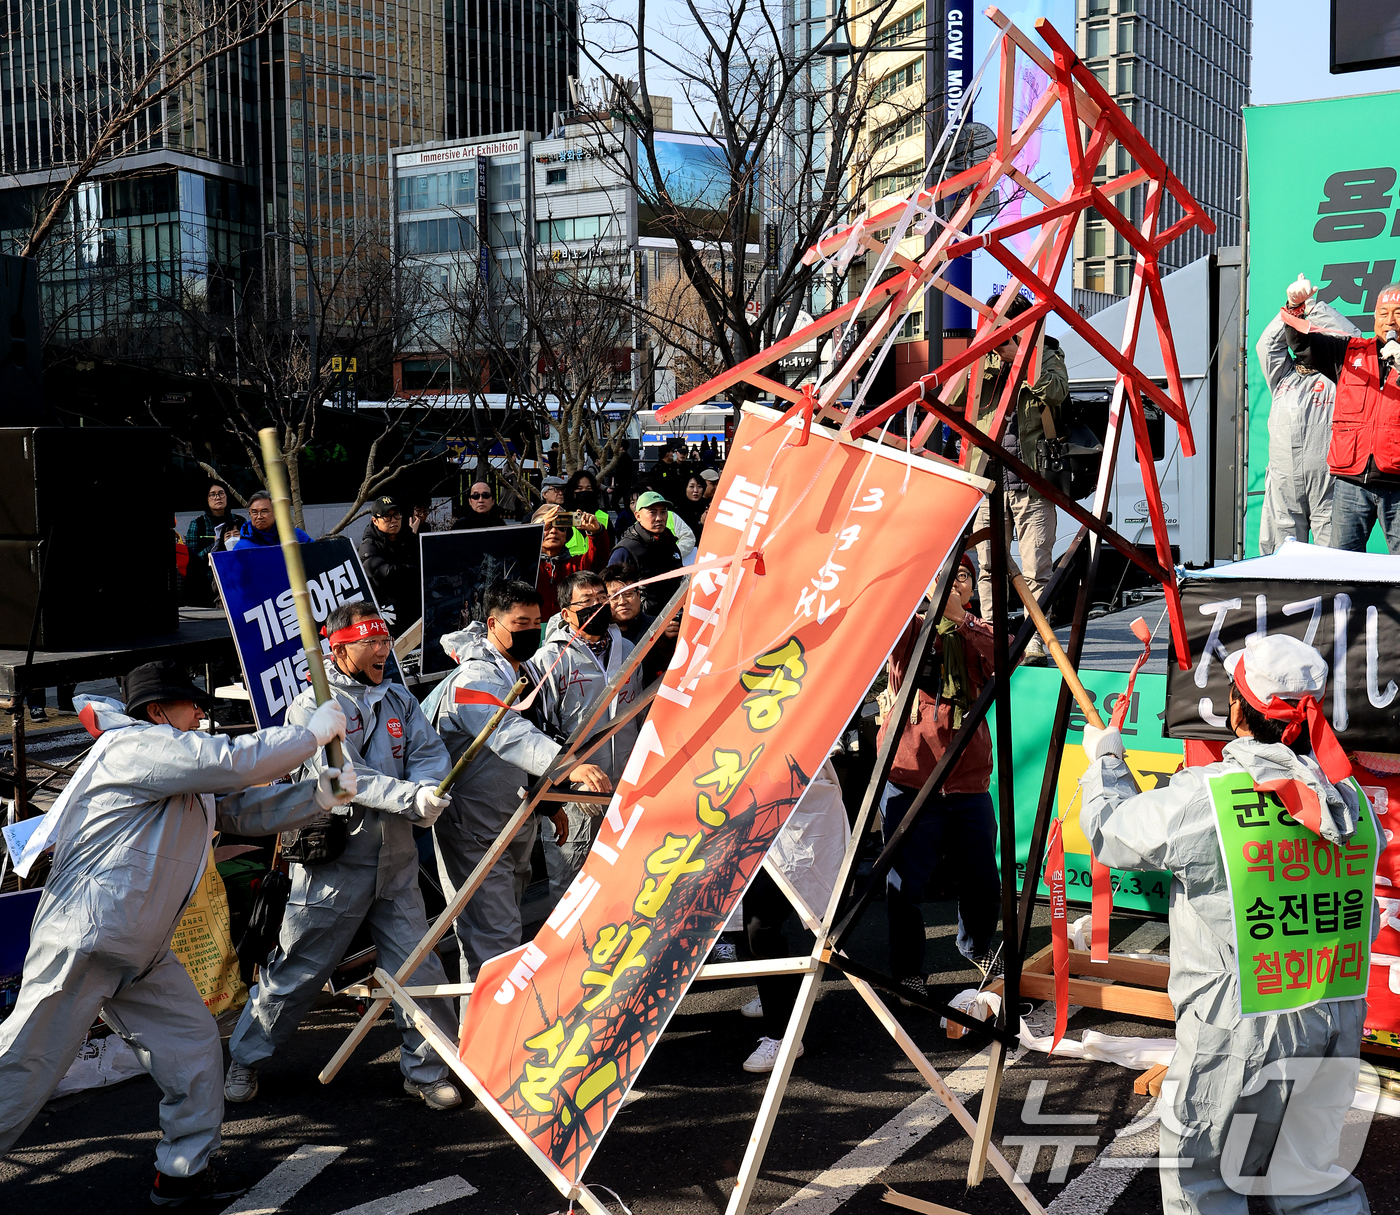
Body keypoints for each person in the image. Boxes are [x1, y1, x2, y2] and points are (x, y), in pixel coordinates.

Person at [0, 660, 352, 1206]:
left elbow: (238, 810)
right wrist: (308, 736)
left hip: (140, 949)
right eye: (192, 705)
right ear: (158, 711)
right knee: (24, 1064)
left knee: (193, 1051)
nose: (201, 713)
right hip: (88, 936)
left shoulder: (178, 764)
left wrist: (318, 797)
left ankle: (183, 1173)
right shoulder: (136, 745)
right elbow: (234, 762)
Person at [1079, 633, 1377, 1215]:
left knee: (1205, 1181)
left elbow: (1113, 832)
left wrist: (1107, 761)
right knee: (1311, 1177)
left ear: (1237, 713)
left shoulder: (1205, 798)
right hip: (1335, 1015)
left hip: (1241, 1029)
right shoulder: (1349, 799)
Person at [226, 602, 461, 1111]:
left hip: (396, 862)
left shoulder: (399, 698)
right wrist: (411, 797)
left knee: (419, 970)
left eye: (385, 641)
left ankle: (427, 1070)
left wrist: (428, 787)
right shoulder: (314, 706)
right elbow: (342, 776)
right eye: (370, 643)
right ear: (338, 649)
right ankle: (245, 1057)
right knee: (296, 970)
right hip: (333, 864)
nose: (382, 651)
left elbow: (428, 752)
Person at [427, 580, 611, 980]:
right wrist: (567, 766)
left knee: (502, 932)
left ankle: (496, 1018)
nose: (530, 631)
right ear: (493, 624)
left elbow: (536, 729)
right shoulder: (472, 680)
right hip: (474, 826)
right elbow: (509, 734)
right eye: (520, 623)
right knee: (494, 941)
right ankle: (491, 1021)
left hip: (515, 816)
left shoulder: (520, 669)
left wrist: (548, 802)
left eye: (535, 623)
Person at [876, 555, 1005, 1000]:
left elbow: (1008, 658)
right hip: (910, 778)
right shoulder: (910, 629)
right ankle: (908, 971)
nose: (954, 584)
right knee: (904, 886)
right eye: (944, 577)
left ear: (971, 588)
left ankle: (977, 946)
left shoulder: (978, 631)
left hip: (968, 780)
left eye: (963, 576)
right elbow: (885, 630)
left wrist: (962, 623)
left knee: (983, 880)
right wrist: (929, 606)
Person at [952, 290, 1067, 659]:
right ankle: (991, 638)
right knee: (989, 566)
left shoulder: (1046, 353)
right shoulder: (982, 357)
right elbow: (952, 396)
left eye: (1003, 325)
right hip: (988, 479)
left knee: (1037, 568)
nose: (997, 333)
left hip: (1031, 479)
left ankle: (1035, 643)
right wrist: (979, 356)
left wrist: (1021, 357)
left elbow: (1058, 392)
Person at [533, 570, 643, 900]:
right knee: (572, 883)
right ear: (566, 613)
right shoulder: (550, 659)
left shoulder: (629, 649)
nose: (597, 605)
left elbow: (640, 715)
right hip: (576, 793)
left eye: (601, 598)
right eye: (586, 601)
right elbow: (540, 731)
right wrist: (567, 782)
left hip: (624, 785)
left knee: (626, 876)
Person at [740, 759, 851, 1073]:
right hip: (749, 804)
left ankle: (782, 1036)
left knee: (760, 924)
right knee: (746, 918)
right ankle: (777, 996)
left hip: (802, 808)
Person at [1281, 275, 1400, 553]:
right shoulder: (1348, 352)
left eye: (1398, 313)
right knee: (1343, 563)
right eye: (1383, 313)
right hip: (1351, 482)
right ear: (1374, 317)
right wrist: (1294, 307)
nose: (1390, 321)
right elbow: (1302, 346)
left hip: (1397, 483)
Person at [1256, 285, 1359, 552]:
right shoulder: (1282, 377)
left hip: (1328, 484)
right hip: (1284, 484)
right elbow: (1267, 345)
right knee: (1281, 560)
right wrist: (1294, 309)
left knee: (1334, 560)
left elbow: (1352, 340)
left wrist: (1314, 309)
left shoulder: (1339, 377)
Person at [603, 561, 678, 685]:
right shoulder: (598, 636)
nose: (622, 601)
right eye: (614, 596)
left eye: (628, 594)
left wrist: (664, 641)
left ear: (639, 595)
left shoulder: (659, 627)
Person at [357, 495, 422, 636]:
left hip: (415, 610)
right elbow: (385, 574)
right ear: (375, 520)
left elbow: (427, 562)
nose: (393, 520)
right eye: (387, 517)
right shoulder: (369, 545)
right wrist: (413, 570)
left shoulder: (409, 538)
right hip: (388, 613)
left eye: (396, 515)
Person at [609, 491, 682, 616]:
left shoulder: (670, 543)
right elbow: (613, 596)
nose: (659, 518)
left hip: (674, 618)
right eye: (652, 512)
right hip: (643, 623)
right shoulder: (625, 550)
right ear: (638, 516)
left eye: (663, 512)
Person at [534, 504, 607, 621]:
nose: (553, 531)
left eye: (560, 527)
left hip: (570, 628)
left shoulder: (576, 564)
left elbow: (598, 558)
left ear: (566, 534)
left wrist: (596, 532)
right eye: (547, 527)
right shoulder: (525, 564)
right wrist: (537, 529)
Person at [185, 483, 245, 602]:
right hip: (206, 584)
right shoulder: (198, 523)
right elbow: (191, 559)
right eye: (212, 494)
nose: (217, 497)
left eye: (221, 493)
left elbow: (249, 551)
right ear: (206, 499)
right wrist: (216, 544)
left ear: (226, 496)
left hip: (238, 579)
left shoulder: (239, 521)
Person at [233, 490, 312, 549]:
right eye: (254, 512)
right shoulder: (241, 547)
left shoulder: (296, 536)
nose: (259, 516)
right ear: (250, 514)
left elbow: (316, 558)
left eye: (264, 511)